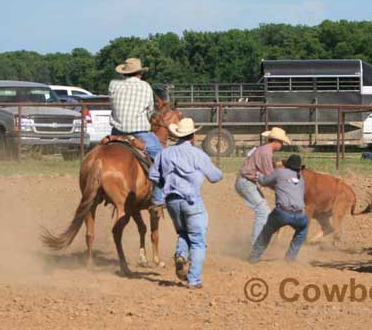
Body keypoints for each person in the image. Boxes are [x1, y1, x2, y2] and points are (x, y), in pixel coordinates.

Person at [148, 118, 223, 289]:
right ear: (193, 136)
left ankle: (181, 254)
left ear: (177, 135)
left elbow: (153, 176)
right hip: (192, 200)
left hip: (172, 201)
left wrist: (163, 187)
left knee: (183, 232)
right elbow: (214, 176)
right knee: (198, 241)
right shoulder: (198, 155)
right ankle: (194, 279)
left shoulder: (164, 153)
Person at [108, 57, 165, 210]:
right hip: (140, 132)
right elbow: (150, 111)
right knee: (162, 158)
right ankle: (159, 199)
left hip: (117, 132)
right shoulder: (146, 87)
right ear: (139, 73)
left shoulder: (113, 85)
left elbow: (112, 105)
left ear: (124, 73)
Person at [235, 127, 291, 246]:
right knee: (263, 210)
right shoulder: (266, 153)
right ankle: (256, 244)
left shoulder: (264, 150)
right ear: (276, 142)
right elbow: (269, 177)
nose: (282, 145)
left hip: (245, 181)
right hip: (246, 182)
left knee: (262, 208)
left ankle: (258, 242)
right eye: (282, 143)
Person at [250, 154, 308, 263]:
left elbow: (263, 181)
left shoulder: (279, 172)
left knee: (267, 231)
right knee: (303, 229)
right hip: (300, 214)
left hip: (282, 212)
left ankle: (254, 256)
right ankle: (290, 258)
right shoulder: (301, 179)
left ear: (287, 164)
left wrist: (258, 174)